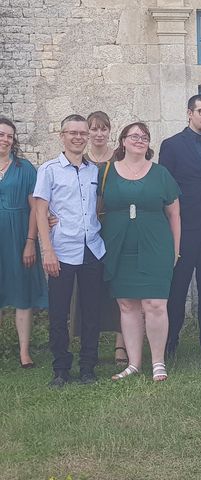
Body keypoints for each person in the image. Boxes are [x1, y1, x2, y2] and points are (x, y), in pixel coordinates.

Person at [100, 122, 181, 382]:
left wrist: (175, 249)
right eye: (133, 136)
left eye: (144, 137)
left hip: (156, 244)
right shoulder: (106, 171)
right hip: (119, 244)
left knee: (155, 303)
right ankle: (133, 363)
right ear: (123, 141)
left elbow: (174, 213)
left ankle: (158, 362)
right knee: (127, 304)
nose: (139, 140)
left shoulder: (161, 173)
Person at [33, 114, 106, 387]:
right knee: (58, 312)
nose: (78, 137)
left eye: (82, 133)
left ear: (87, 137)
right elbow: (41, 211)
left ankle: (88, 366)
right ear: (62, 136)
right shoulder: (49, 170)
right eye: (72, 132)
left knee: (91, 312)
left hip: (92, 249)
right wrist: (47, 250)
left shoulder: (92, 170)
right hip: (61, 250)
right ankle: (61, 368)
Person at [159, 94, 201, 359]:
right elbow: (166, 186)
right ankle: (169, 341)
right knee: (177, 288)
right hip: (183, 228)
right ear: (189, 113)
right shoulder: (171, 145)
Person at [63, 111, 127, 365]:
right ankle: (83, 340)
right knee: (88, 288)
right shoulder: (82, 160)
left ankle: (121, 344)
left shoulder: (119, 159)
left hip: (115, 225)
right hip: (87, 229)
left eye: (104, 129)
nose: (99, 134)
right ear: (87, 133)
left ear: (110, 131)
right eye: (94, 129)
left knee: (119, 283)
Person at [0, 117, 47, 368]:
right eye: (1, 134)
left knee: (22, 293)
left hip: (18, 235)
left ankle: (24, 352)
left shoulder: (25, 169)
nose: (5, 139)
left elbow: (35, 208)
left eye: (9, 135)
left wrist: (30, 242)